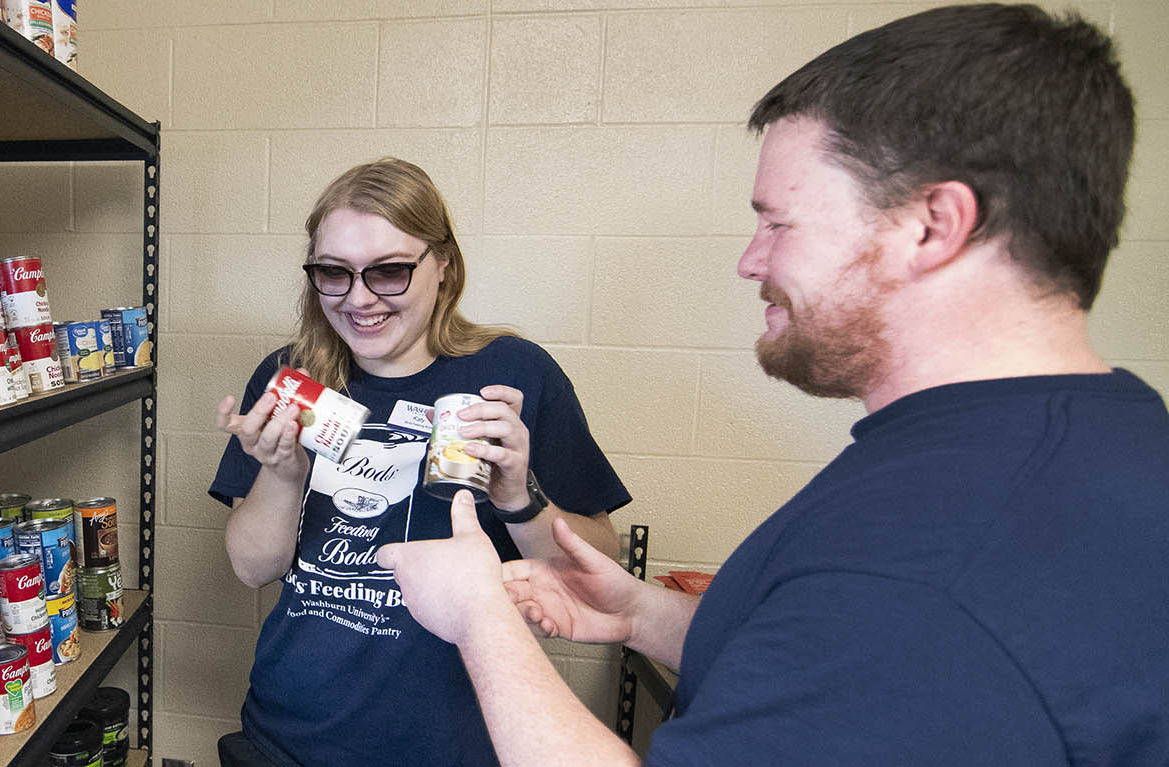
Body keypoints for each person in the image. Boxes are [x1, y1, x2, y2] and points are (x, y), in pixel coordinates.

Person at [378, 4, 1169, 765]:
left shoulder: (937, 558)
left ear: (934, 225)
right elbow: (846, 668)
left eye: (780, 223)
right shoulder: (1080, 437)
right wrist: (647, 615)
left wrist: (481, 618)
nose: (751, 261)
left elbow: (899, 631)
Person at [208, 158, 632, 767]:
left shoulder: (514, 375)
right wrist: (282, 474)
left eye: (389, 271)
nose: (359, 299)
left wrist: (519, 497)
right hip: (290, 736)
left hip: (453, 741)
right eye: (334, 272)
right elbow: (252, 568)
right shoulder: (293, 379)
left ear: (444, 266)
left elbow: (597, 566)